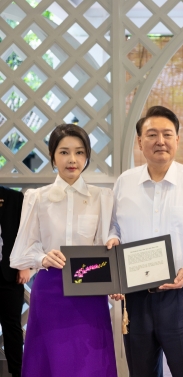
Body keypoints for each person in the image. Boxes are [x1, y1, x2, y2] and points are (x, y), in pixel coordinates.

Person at [107, 106, 183, 377]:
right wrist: (112, 239)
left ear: (177, 140)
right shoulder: (125, 182)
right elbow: (114, 227)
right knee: (141, 371)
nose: (160, 141)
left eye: (167, 134)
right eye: (152, 134)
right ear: (139, 141)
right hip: (136, 297)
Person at [10, 124, 116, 377]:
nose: (72, 159)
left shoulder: (102, 197)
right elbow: (20, 252)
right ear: (53, 156)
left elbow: (109, 241)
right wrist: (42, 257)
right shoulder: (37, 197)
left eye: (79, 152)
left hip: (90, 290)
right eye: (64, 152)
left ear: (87, 157)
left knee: (90, 363)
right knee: (49, 362)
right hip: (50, 291)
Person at [0, 186, 26, 377]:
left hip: (8, 274)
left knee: (12, 328)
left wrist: (24, 265)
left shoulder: (14, 198)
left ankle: (18, 373)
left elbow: (26, 233)